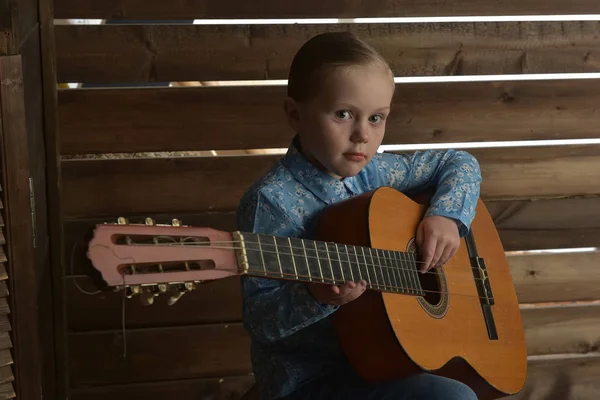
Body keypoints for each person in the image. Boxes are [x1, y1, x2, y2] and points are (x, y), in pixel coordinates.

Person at [236, 31, 482, 400]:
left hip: (385, 356)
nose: (362, 136)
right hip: (310, 379)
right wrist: (315, 295)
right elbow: (260, 319)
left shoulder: (377, 173)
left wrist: (447, 215)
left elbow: (458, 161)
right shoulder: (271, 202)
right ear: (294, 113)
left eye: (376, 118)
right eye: (343, 114)